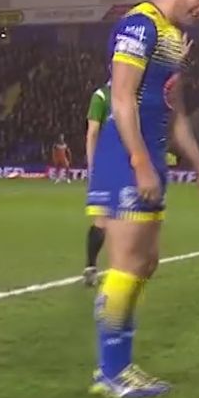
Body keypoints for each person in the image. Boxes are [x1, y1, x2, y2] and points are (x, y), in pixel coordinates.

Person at [85, 0, 199, 398]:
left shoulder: (175, 36)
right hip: (127, 158)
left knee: (146, 264)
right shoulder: (139, 24)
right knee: (125, 265)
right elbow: (122, 99)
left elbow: (174, 109)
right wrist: (141, 162)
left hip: (154, 158)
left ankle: (122, 365)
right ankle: (109, 373)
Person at [83, 85, 109, 286]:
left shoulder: (100, 96)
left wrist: (93, 167)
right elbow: (92, 133)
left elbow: (92, 133)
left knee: (102, 220)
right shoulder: (132, 94)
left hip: (104, 165)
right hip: (125, 165)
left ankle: (91, 266)